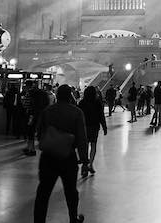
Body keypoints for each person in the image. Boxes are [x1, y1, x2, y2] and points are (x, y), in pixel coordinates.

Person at [34, 84, 88, 223]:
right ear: (70, 96)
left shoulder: (47, 111)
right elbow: (82, 138)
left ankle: (39, 220)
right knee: (71, 191)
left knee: (43, 192)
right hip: (68, 157)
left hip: (48, 157)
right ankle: (73, 218)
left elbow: (39, 133)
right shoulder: (77, 112)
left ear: (57, 96)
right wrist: (84, 160)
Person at [78, 86, 107, 174]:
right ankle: (91, 164)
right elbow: (101, 115)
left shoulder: (82, 102)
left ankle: (84, 165)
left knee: (85, 146)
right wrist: (104, 127)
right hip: (94, 127)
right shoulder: (97, 102)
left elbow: (79, 115)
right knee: (93, 145)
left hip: (84, 127)